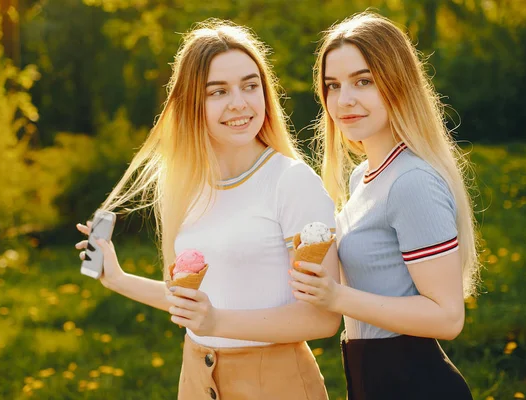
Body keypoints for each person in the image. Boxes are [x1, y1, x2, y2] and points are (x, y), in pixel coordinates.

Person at [75, 19, 340, 400]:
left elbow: (323, 317)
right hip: (196, 379)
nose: (239, 102)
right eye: (218, 91)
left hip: (274, 383)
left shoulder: (291, 182)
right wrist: (116, 278)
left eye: (250, 86)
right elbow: (194, 305)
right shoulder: (186, 188)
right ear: (191, 103)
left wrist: (216, 321)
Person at [289, 12, 480, 400]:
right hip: (369, 378)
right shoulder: (363, 176)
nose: (344, 100)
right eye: (332, 85)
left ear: (398, 84)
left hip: (414, 383)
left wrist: (337, 297)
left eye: (364, 81)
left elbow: (447, 317)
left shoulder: (412, 182)